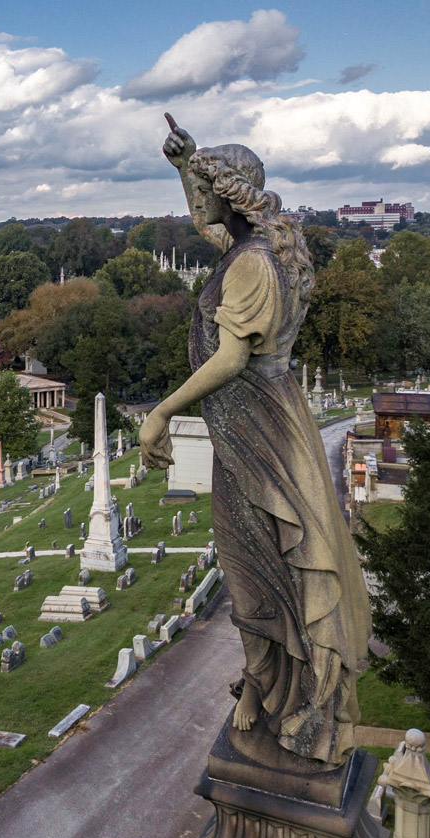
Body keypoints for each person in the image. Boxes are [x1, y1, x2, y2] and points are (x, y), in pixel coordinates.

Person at [140, 114, 370, 766]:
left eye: (205, 187)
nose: (199, 205)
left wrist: (160, 412)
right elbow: (205, 224)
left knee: (254, 569)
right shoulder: (262, 247)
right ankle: (269, 689)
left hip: (258, 435)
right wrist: (184, 165)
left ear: (228, 194)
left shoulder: (253, 266)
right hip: (258, 427)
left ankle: (287, 698)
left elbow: (232, 357)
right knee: (266, 567)